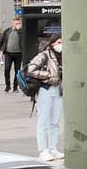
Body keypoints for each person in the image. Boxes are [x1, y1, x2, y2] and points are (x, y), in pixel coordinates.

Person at [26, 32, 64, 161]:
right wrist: (47, 75)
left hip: (58, 90)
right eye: (59, 43)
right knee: (43, 121)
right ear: (52, 43)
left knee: (55, 122)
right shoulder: (44, 55)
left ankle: (53, 148)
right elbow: (30, 69)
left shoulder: (63, 56)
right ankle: (43, 150)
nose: (61, 45)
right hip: (45, 89)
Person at [0, 16, 24, 93]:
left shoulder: (21, 31)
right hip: (8, 53)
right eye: (16, 23)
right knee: (7, 69)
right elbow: (1, 40)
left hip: (18, 53)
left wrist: (19, 30)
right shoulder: (7, 31)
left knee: (17, 71)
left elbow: (24, 40)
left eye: (19, 23)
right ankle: (7, 86)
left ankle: (15, 87)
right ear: (13, 22)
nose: (18, 24)